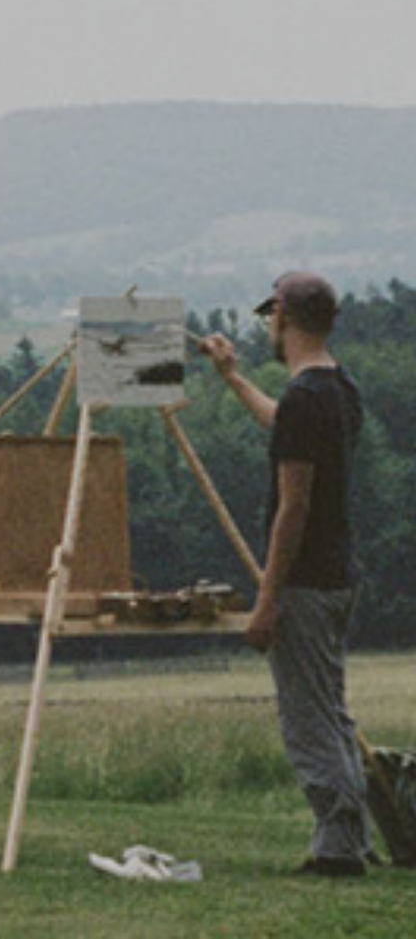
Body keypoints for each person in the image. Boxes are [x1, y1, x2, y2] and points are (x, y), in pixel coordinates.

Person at [199, 271, 368, 877]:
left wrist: (267, 601)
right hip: (338, 575)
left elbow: (292, 508)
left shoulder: (305, 399)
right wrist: (232, 377)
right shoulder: (338, 388)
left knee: (307, 718)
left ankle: (338, 848)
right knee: (330, 709)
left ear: (284, 318)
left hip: (306, 583)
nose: (269, 326)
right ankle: (351, 835)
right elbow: (283, 422)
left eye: (271, 316)